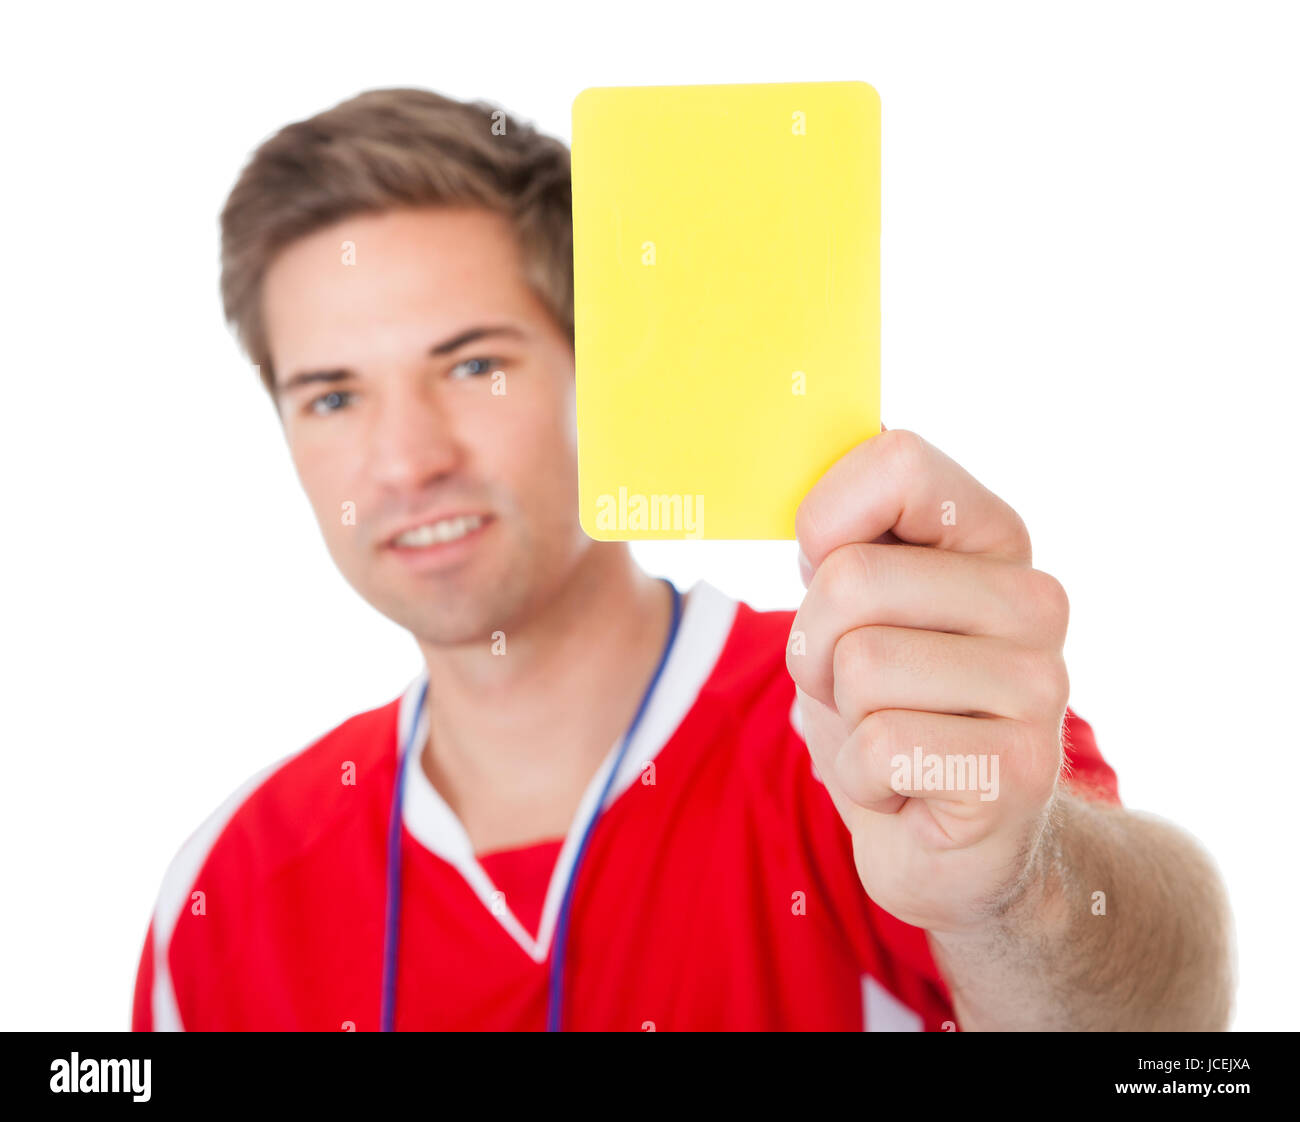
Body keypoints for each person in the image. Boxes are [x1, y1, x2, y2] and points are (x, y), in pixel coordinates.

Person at [131, 87, 1233, 1031]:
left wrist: (1010, 891)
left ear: (603, 371)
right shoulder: (226, 890)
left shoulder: (868, 707)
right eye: (331, 396)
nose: (405, 460)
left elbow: (1161, 1035)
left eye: (472, 367)